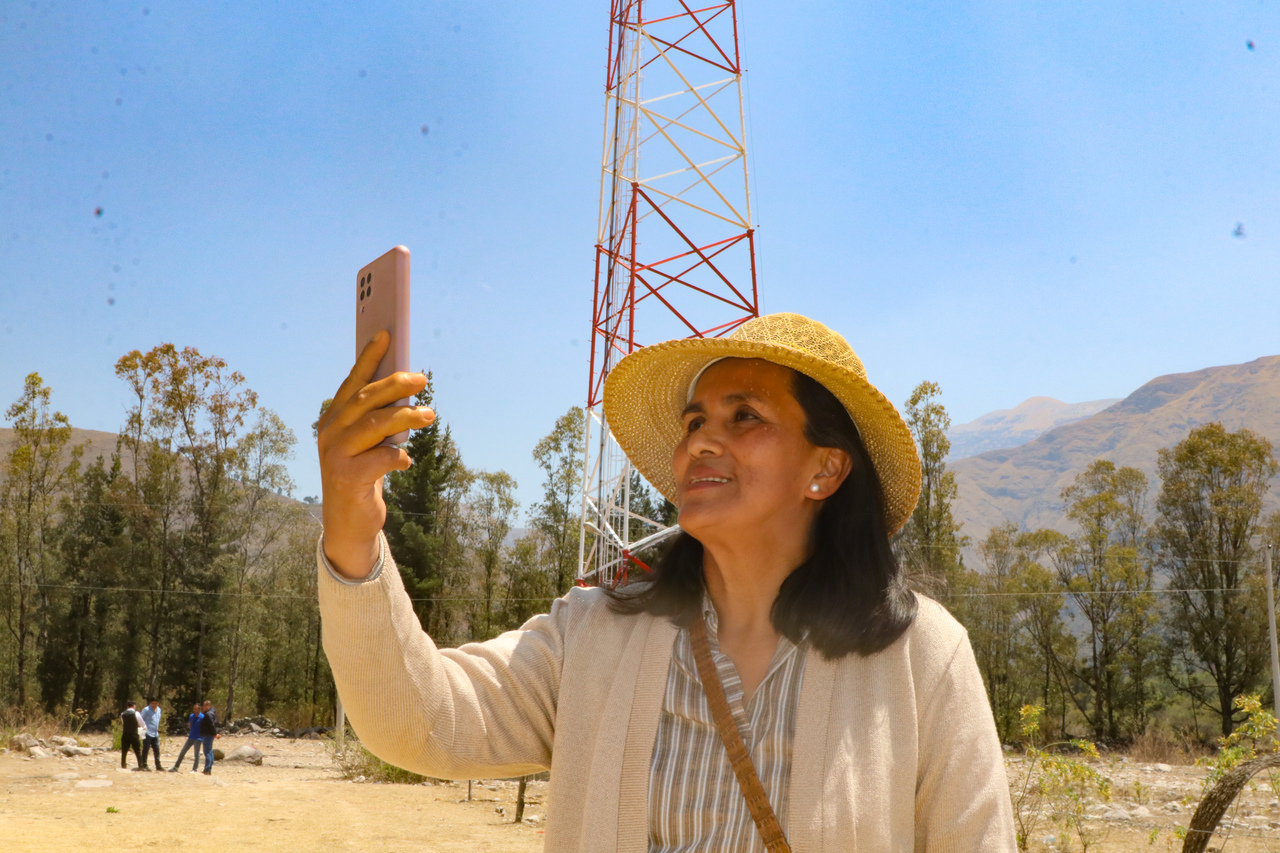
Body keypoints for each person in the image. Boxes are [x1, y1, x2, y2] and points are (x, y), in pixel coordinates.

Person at [316, 315, 1016, 851]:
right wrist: (352, 526)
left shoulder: (922, 656)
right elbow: (417, 719)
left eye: (745, 416)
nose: (701, 441)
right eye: (695, 421)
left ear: (825, 471)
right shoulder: (594, 632)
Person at [170, 703, 204, 773]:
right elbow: (190, 724)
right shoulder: (191, 716)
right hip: (190, 737)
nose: (194, 710)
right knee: (182, 752)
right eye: (194, 708)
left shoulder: (202, 717)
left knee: (196, 755)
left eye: (196, 708)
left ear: (199, 709)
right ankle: (176, 767)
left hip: (198, 738)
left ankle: (194, 769)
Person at [119, 700, 145, 770]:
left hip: (125, 734)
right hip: (134, 734)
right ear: (134, 706)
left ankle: (123, 765)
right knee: (137, 751)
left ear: (127, 706)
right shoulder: (136, 713)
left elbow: (123, 723)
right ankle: (140, 766)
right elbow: (142, 724)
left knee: (124, 751)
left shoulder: (122, 714)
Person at [139, 697, 162, 771]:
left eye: (156, 703)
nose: (154, 705)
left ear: (158, 703)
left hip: (155, 733)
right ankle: (144, 764)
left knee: (156, 749)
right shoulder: (146, 710)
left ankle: (158, 765)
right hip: (147, 732)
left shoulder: (159, 710)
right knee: (146, 749)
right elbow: (140, 719)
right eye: (153, 703)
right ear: (150, 703)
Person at [199, 699, 218, 775]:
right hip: (209, 734)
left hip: (207, 735)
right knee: (210, 751)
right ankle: (208, 769)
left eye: (204, 705)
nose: (203, 707)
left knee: (207, 752)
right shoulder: (212, 713)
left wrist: (214, 733)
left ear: (208, 706)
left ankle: (207, 769)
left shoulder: (208, 714)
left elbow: (211, 725)